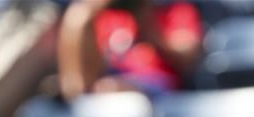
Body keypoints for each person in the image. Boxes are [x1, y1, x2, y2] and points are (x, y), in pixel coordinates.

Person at [57, 0, 204, 100]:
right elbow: (88, 73)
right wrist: (83, 15)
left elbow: (188, 57)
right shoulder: (106, 15)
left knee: (111, 89)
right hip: (109, 81)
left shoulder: (175, 9)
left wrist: (145, 19)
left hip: (158, 84)